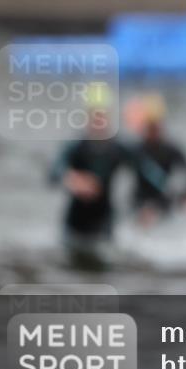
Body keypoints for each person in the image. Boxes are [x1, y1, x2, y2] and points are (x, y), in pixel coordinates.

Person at [48, 83, 165, 270]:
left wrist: (150, 206)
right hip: (74, 224)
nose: (98, 119)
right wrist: (73, 179)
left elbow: (152, 176)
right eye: (94, 114)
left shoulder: (118, 149)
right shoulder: (77, 147)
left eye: (102, 114)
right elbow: (53, 172)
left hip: (104, 224)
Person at [128, 94, 186, 227]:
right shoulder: (135, 150)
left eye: (156, 125)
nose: (153, 130)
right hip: (139, 204)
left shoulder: (172, 150)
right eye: (150, 125)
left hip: (163, 205)